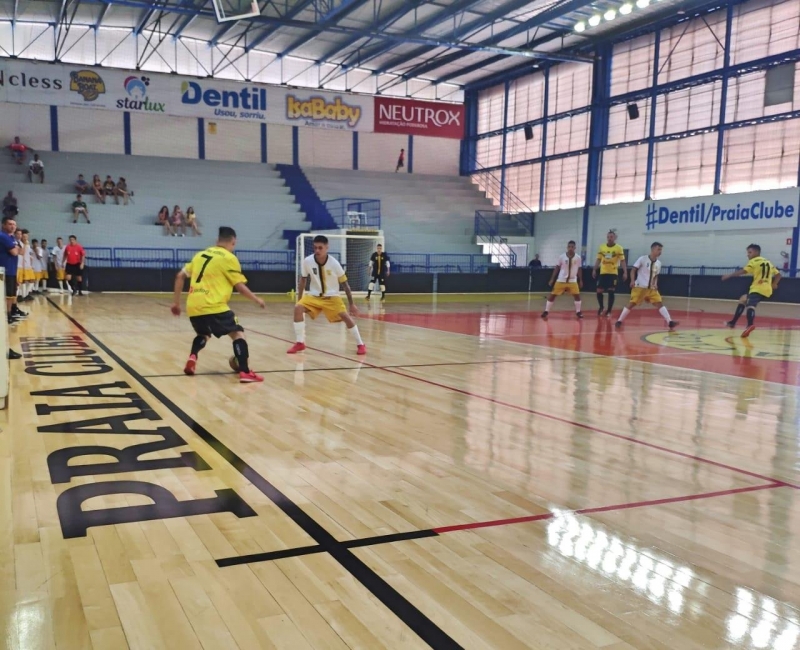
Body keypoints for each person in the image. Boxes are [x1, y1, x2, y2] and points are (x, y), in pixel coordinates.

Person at [170, 226, 265, 383]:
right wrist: (257, 299)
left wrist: (176, 303)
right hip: (214, 306)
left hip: (194, 306)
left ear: (217, 241)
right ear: (233, 242)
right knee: (237, 334)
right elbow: (239, 287)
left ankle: (192, 356)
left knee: (203, 334)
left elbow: (180, 276)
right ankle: (245, 372)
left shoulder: (200, 255)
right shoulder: (229, 258)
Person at [287, 235, 366, 355]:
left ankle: (360, 344)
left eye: (320, 248)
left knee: (345, 316)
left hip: (332, 297)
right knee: (298, 308)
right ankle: (300, 343)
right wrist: (299, 300)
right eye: (315, 248)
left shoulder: (334, 264)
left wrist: (351, 304)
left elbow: (345, 285)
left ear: (327, 247)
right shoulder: (307, 261)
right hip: (314, 296)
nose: (317, 250)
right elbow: (303, 280)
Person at [722, 244, 781, 338]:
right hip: (767, 289)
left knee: (751, 306)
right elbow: (778, 275)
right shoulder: (768, 262)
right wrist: (774, 284)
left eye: (750, 252)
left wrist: (729, 275)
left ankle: (750, 325)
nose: (748, 255)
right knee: (743, 299)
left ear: (756, 252)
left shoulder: (753, 261)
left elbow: (743, 271)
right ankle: (733, 323)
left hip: (758, 288)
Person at [615, 242, 678, 330]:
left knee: (659, 303)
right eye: (658, 249)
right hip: (640, 287)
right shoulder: (642, 259)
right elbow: (633, 270)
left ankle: (670, 322)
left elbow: (656, 276)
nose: (660, 252)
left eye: (661, 250)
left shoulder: (659, 263)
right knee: (632, 303)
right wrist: (632, 281)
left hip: (651, 289)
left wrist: (655, 284)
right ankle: (619, 320)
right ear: (652, 249)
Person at [542, 240, 583, 320]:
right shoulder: (562, 257)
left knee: (577, 295)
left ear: (575, 248)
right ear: (567, 247)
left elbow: (579, 268)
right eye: (569, 247)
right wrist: (552, 279)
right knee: (553, 295)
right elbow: (557, 267)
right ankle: (546, 311)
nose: (570, 248)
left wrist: (580, 280)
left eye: (572, 247)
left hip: (572, 280)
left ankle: (578, 311)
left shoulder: (578, 257)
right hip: (561, 279)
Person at [0, 217, 23, 359]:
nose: (13, 226)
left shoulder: (11, 238)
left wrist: (18, 248)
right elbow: (15, 252)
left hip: (11, 271)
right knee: (7, 297)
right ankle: (7, 316)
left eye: (14, 224)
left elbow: (20, 251)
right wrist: (17, 248)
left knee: (11, 296)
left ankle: (8, 316)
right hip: (5, 272)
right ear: (3, 225)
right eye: (10, 224)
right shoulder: (3, 236)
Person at [593, 229, 627, 318]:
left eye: (611, 237)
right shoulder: (602, 247)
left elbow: (622, 261)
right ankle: (601, 307)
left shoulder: (619, 248)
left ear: (615, 238)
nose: (609, 238)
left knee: (611, 291)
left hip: (613, 273)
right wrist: (594, 269)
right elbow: (598, 259)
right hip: (603, 272)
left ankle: (609, 310)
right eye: (608, 237)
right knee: (599, 290)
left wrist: (625, 272)